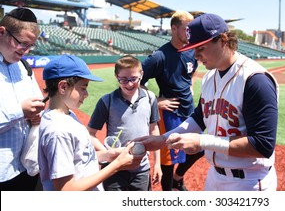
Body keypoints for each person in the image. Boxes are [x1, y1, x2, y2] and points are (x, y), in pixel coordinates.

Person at [136, 13, 279, 191]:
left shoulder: (255, 80)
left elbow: (262, 145)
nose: (195, 55)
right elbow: (199, 118)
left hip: (248, 182)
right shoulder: (210, 77)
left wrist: (202, 142)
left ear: (223, 40)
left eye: (201, 48)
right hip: (215, 177)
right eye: (193, 49)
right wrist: (163, 139)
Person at [38, 54, 144, 191]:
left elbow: (80, 159)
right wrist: (117, 165)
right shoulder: (58, 131)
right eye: (83, 88)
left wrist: (107, 156)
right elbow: (66, 189)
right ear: (63, 87)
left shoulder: (66, 115)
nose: (86, 94)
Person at [140, 10, 204, 191]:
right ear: (174, 28)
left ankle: (178, 179)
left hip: (189, 110)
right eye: (186, 29)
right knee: (169, 163)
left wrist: (191, 85)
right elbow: (137, 81)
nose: (190, 33)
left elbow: (193, 70)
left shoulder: (191, 51)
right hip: (169, 114)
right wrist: (156, 100)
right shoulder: (159, 56)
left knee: (199, 149)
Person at [87, 55, 162, 191]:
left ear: (141, 74)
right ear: (117, 77)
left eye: (133, 79)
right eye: (123, 80)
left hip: (141, 169)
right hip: (114, 169)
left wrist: (157, 163)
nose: (129, 84)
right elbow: (90, 134)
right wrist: (108, 153)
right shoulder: (107, 101)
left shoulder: (150, 98)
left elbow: (154, 130)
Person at [0, 7, 46, 191]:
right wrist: (20, 111)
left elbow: (36, 103)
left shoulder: (24, 67)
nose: (26, 51)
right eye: (22, 44)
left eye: (30, 46)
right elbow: (21, 110)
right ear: (2, 32)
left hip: (27, 169)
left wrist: (35, 115)